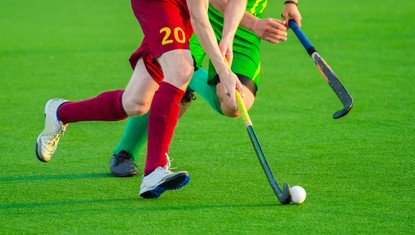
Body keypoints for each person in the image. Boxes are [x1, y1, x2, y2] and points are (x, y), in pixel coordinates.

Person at [35, 0, 247, 199]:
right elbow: (199, 17)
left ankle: (60, 112)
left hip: (179, 6)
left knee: (135, 103)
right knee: (181, 68)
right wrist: (224, 72)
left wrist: (227, 36)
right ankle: (154, 170)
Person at [109, 0, 303, 177]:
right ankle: (125, 151)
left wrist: (290, 3)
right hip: (200, 20)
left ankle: (189, 75)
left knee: (235, 104)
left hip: (242, 31)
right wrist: (254, 23)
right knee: (166, 77)